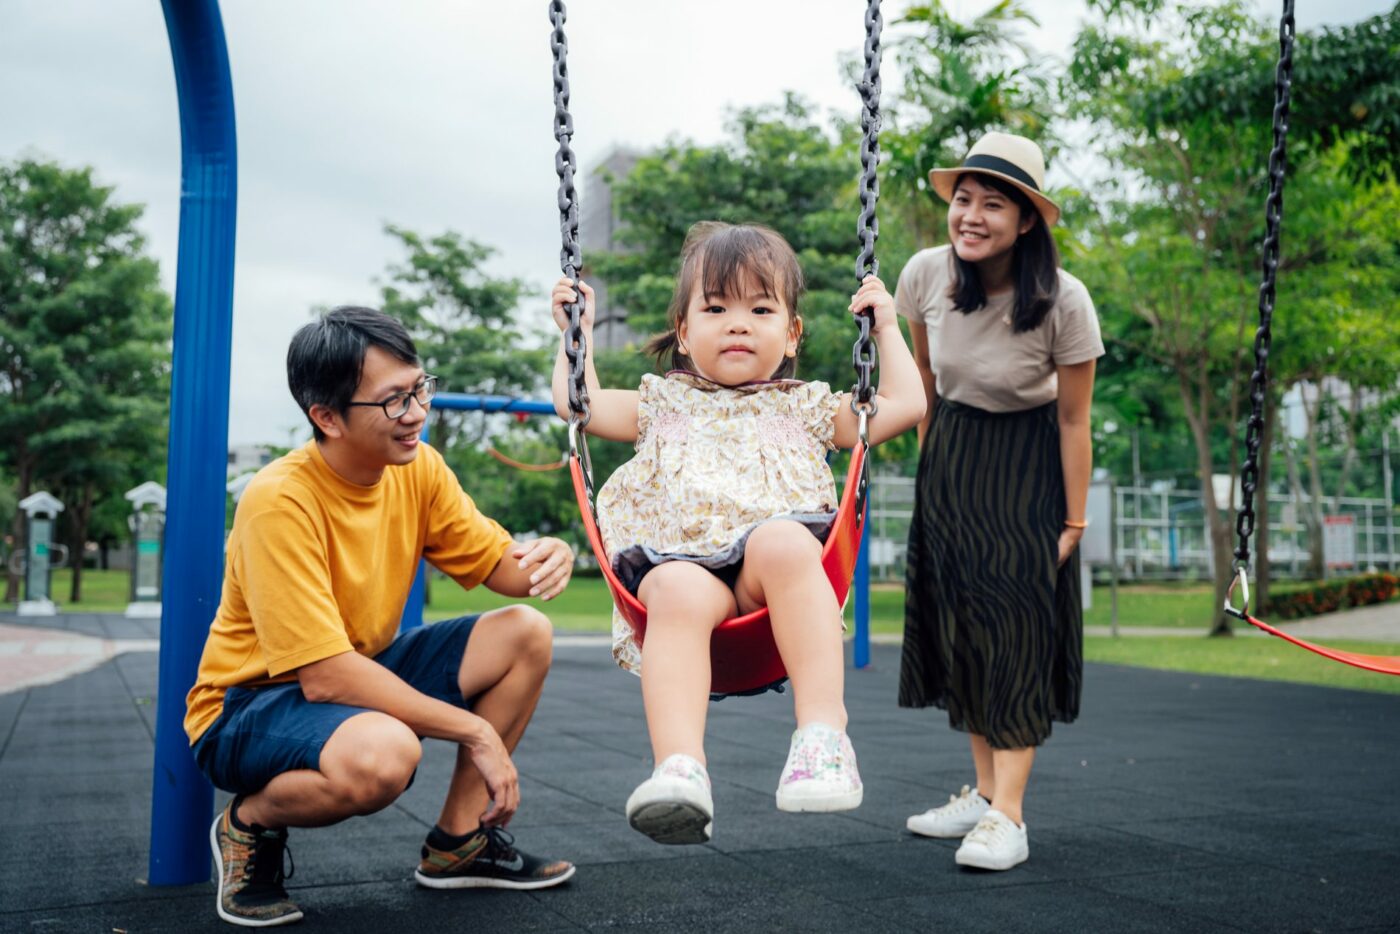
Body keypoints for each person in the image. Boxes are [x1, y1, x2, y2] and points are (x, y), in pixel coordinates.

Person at [185, 308, 577, 928]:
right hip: (247, 706)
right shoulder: (279, 500)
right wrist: (476, 733)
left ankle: (458, 843)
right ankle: (248, 822)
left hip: (355, 670)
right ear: (327, 417)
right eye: (394, 400)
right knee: (385, 757)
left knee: (525, 634)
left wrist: (549, 555)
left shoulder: (418, 467)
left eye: (420, 388)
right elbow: (324, 677)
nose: (417, 412)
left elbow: (504, 568)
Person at [550, 222, 925, 845]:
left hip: (763, 581)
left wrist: (885, 326)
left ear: (792, 333)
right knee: (671, 587)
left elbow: (907, 405)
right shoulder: (660, 403)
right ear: (683, 330)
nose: (738, 325)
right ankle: (680, 769)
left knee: (783, 542)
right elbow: (577, 404)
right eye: (716, 308)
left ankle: (823, 736)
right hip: (688, 571)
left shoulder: (805, 407)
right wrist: (575, 333)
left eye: (760, 309)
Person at [896, 132, 1103, 871]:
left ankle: (1009, 817)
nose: (972, 216)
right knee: (965, 632)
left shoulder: (1064, 299)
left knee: (1015, 631)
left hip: (1028, 462)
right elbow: (923, 382)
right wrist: (932, 473)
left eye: (993, 204)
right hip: (952, 456)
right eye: (964, 199)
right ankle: (984, 796)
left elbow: (1074, 420)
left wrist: (1073, 520)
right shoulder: (925, 274)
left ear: (1025, 221)